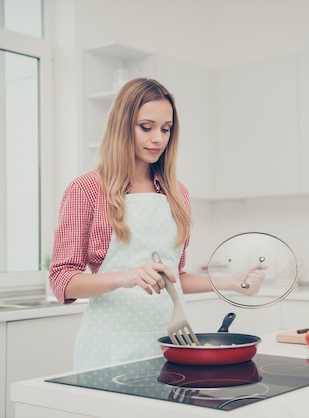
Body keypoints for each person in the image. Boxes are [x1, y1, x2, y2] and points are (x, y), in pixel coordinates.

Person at [49, 78, 264, 371]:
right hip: (109, 347)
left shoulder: (177, 193)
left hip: (173, 344)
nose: (158, 139)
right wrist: (126, 277)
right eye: (146, 127)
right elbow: (62, 280)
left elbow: (175, 277)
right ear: (123, 125)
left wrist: (230, 283)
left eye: (166, 129)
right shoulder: (86, 190)